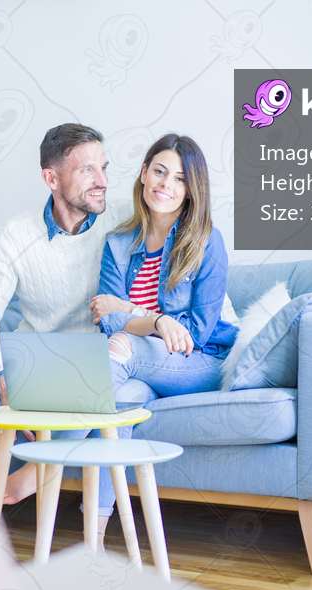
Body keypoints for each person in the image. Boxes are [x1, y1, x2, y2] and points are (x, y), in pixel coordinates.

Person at [0, 123, 150, 543]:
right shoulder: (17, 233)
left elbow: (172, 269)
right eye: (87, 171)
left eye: (104, 167)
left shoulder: (123, 220)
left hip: (91, 359)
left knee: (100, 380)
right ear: (51, 178)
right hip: (30, 356)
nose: (102, 180)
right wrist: (2, 373)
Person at [89, 133, 237, 399]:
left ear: (190, 189)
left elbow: (195, 334)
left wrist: (127, 309)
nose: (166, 184)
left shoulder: (206, 241)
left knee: (122, 344)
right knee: (124, 397)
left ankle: (44, 440)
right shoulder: (117, 245)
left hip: (199, 361)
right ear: (144, 173)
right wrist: (158, 321)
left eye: (180, 179)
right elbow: (109, 323)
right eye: (160, 171)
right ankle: (50, 440)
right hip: (141, 363)